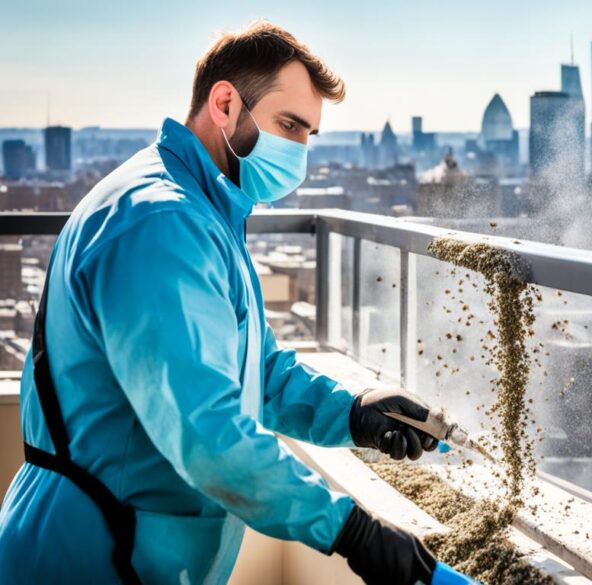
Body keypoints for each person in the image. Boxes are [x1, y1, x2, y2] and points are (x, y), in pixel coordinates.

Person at [0, 20, 462, 585]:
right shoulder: (162, 222)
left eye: (309, 135)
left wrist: (354, 411)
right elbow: (208, 435)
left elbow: (256, 373)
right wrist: (351, 531)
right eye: (288, 124)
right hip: (89, 555)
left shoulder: (205, 210)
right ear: (225, 103)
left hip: (134, 549)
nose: (298, 150)